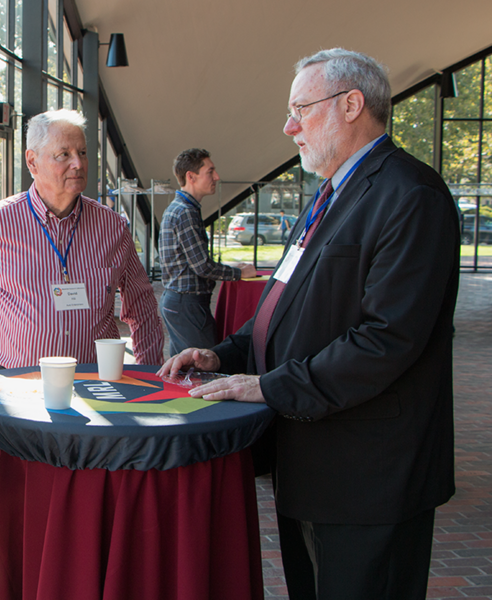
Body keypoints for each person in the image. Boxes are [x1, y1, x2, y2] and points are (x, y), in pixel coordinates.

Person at [159, 48, 459, 600]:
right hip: (315, 465)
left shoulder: (410, 196)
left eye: (301, 108)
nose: (288, 126)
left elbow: (387, 339)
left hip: (371, 474)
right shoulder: (328, 195)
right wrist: (222, 355)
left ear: (351, 105)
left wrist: (269, 386)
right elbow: (284, 309)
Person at [0, 108, 164, 496]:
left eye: (82, 153)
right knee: (9, 511)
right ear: (32, 161)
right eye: (63, 154)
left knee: (82, 510)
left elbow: (143, 306)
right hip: (10, 399)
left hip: (91, 400)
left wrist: (149, 379)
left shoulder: (111, 227)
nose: (78, 164)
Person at [159, 149, 256, 355]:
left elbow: (193, 262)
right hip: (188, 304)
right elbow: (202, 266)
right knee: (205, 370)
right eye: (210, 171)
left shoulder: (180, 208)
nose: (217, 177)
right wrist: (239, 273)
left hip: (179, 301)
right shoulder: (185, 211)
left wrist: (230, 267)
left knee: (185, 372)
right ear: (191, 177)